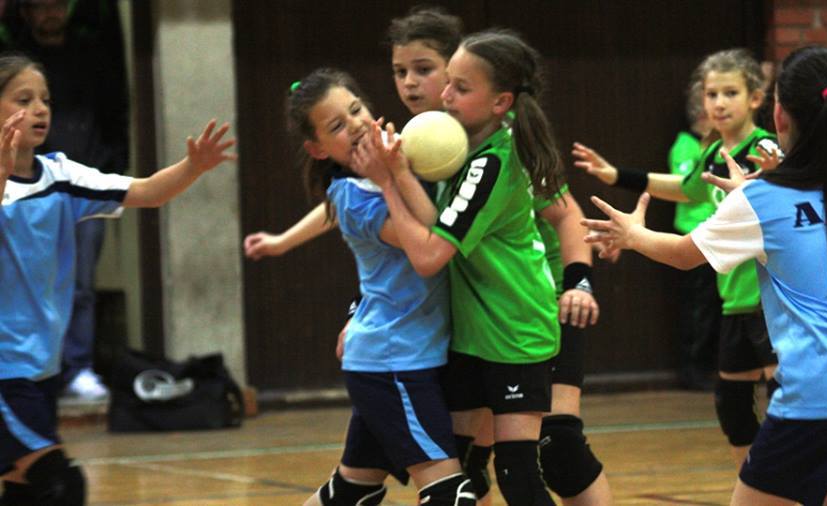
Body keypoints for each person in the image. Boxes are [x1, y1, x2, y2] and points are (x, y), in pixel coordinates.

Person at [583, 44, 827, 506]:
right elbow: (812, 207)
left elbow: (684, 254)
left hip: (822, 391)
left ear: (777, 114)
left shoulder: (761, 200)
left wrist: (633, 234)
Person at [0, 53, 234, 505]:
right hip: (4, 371)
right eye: (23, 99)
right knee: (60, 483)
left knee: (25, 491)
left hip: (39, 365)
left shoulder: (61, 177)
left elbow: (144, 191)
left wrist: (193, 168)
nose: (40, 109)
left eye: (45, 99)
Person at [355, 29, 563, 506]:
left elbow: (428, 256)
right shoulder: (465, 151)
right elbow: (440, 234)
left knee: (517, 473)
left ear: (501, 102)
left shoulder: (493, 163)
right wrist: (401, 177)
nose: (444, 96)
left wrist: (391, 182)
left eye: (461, 88)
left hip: (515, 332)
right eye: (447, 82)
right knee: (462, 471)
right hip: (471, 335)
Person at [572, 48, 781, 467]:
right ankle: (760, 481)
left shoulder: (767, 150)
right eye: (711, 94)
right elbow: (687, 187)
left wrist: (779, 173)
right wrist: (617, 176)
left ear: (756, 98)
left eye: (730, 93)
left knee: (786, 405)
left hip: (771, 301)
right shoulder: (711, 153)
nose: (718, 103)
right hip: (735, 299)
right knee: (733, 406)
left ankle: (788, 480)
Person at [287, 68, 474, 506]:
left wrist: (398, 170)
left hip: (399, 358)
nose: (354, 124)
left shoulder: (396, 163)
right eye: (336, 126)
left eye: (356, 110)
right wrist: (392, 178)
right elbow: (432, 240)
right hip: (394, 362)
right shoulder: (353, 198)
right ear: (317, 149)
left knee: (350, 491)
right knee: (451, 492)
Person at [16, 0, 129, 400]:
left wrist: (113, 167)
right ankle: (31, 367)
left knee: (78, 283)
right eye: (39, 6)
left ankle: (76, 366)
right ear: (26, 14)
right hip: (25, 188)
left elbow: (114, 115)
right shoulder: (16, 60)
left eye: (56, 5)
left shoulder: (91, 58)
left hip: (77, 183)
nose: (49, 13)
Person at [670, 76, 720, 391]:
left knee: (717, 307)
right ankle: (692, 368)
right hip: (692, 237)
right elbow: (688, 188)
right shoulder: (685, 145)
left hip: (720, 238)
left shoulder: (722, 146)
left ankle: (713, 364)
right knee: (696, 308)